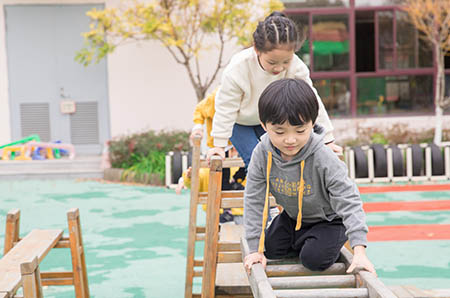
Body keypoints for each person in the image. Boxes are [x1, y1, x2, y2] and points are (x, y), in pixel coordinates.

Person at [243, 78, 376, 276]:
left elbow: (349, 200)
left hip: (329, 220)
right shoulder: (262, 153)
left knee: (313, 259)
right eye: (279, 132)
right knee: (270, 249)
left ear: (312, 124)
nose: (290, 140)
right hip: (293, 217)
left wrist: (359, 250)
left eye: (300, 131)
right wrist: (254, 250)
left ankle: (318, 241)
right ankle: (306, 239)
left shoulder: (323, 156)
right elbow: (254, 199)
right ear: (264, 125)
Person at [207, 11, 341, 169]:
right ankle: (258, 194)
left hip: (272, 120)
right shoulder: (238, 68)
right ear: (257, 49)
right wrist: (219, 145)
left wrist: (327, 139)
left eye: (286, 61)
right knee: (256, 160)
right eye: (272, 62)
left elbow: (311, 102)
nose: (279, 68)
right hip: (241, 123)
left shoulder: (296, 67)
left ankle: (286, 193)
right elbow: (226, 108)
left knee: (284, 160)